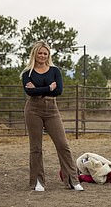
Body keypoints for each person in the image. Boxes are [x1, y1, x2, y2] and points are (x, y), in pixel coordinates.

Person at [21, 40, 84, 192]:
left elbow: (58, 91)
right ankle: (38, 181)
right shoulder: (26, 73)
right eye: (40, 53)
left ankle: (72, 180)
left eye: (45, 53)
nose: (42, 55)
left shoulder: (54, 71)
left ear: (48, 55)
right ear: (34, 54)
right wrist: (49, 87)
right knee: (36, 147)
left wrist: (39, 89)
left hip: (52, 110)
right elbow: (29, 92)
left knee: (63, 145)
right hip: (33, 110)